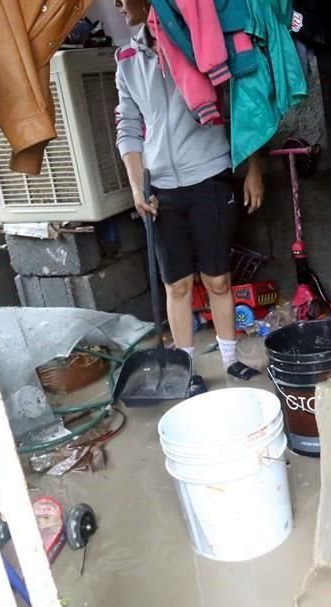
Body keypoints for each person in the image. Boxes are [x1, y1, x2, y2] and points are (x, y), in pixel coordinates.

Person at [113, 0, 265, 391]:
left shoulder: (198, 37)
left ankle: (230, 361)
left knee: (218, 280)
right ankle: (185, 370)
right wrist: (136, 184)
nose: (116, 5)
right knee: (177, 286)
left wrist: (253, 168)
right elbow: (128, 126)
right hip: (161, 188)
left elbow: (242, 103)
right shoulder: (127, 59)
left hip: (210, 175)